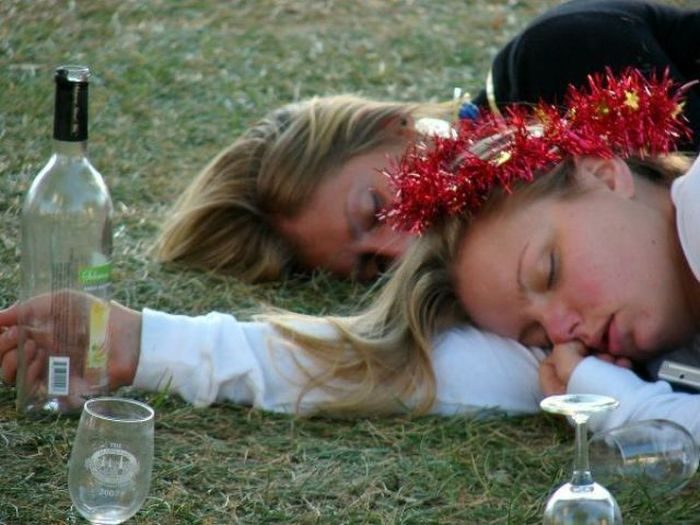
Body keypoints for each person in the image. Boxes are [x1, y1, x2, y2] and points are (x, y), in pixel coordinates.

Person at [2, 69, 700, 440]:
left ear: (603, 170)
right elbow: (407, 369)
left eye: (548, 270)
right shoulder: (590, 343)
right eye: (534, 334)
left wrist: (630, 407)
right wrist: (141, 342)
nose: (564, 331)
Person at [153, 0, 700, 282]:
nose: (402, 248)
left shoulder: (552, 63)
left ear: (394, 126)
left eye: (375, 209)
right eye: (374, 268)